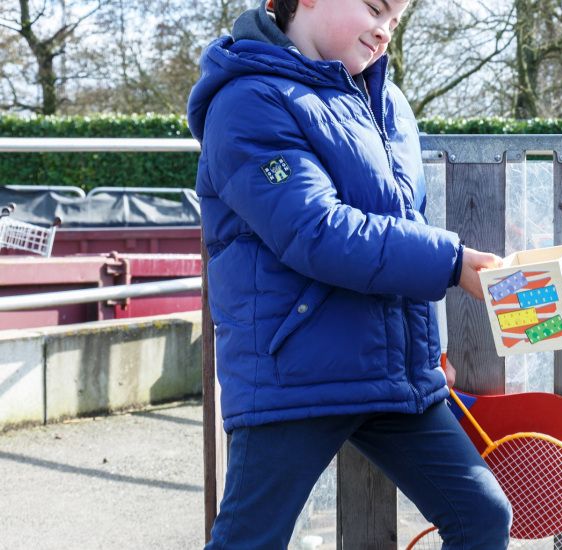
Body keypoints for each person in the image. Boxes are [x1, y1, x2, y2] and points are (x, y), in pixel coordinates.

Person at [187, 0, 511, 547]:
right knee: (250, 539)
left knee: (481, 515)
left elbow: (401, 222)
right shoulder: (247, 100)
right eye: (375, 8)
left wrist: (423, 345)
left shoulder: (387, 102)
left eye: (396, 20)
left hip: (392, 375)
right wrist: (454, 263)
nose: (385, 30)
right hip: (295, 375)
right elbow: (316, 230)